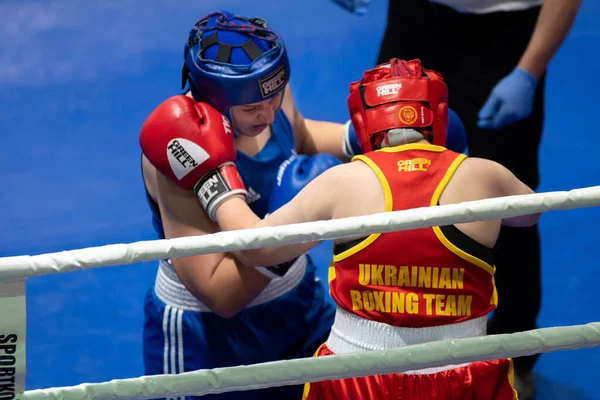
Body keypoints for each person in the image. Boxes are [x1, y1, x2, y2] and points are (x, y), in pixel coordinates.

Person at [169, 58, 541, 399]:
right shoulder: (484, 176)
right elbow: (529, 214)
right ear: (440, 116)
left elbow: (255, 248)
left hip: (359, 374)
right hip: (463, 370)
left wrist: (213, 180)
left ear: (363, 123)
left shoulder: (341, 182)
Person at [360, 1, 581, 397]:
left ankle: (515, 352)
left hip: (505, 37)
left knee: (505, 201)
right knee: (387, 179)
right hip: (416, 22)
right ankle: (385, 335)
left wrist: (527, 72)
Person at [139, 10, 350, 400]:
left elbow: (298, 134)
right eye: (253, 108)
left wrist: (363, 138)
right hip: (209, 338)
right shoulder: (178, 148)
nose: (267, 114)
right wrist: (301, 225)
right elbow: (219, 294)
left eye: (274, 97)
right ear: (215, 100)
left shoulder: (266, 97)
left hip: (299, 304)